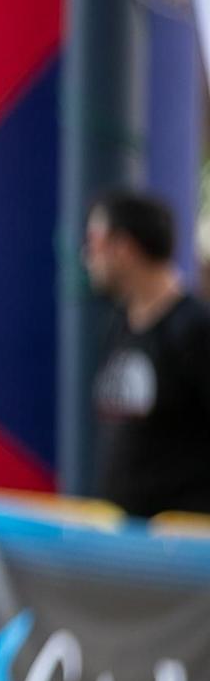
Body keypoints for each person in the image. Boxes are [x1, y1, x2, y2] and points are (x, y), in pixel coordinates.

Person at [84, 189, 210, 519]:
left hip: (177, 550)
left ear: (124, 248)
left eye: (95, 243)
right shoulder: (119, 326)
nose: (87, 256)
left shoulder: (195, 329)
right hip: (122, 539)